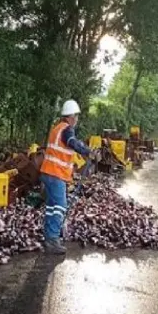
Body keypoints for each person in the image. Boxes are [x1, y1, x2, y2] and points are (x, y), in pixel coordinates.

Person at [39, 99, 95, 255]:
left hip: (47, 173)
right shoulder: (67, 130)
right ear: (70, 116)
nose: (77, 119)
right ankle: (53, 240)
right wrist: (87, 151)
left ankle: (49, 236)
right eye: (76, 116)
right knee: (61, 206)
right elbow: (72, 142)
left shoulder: (56, 128)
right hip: (56, 174)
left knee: (51, 207)